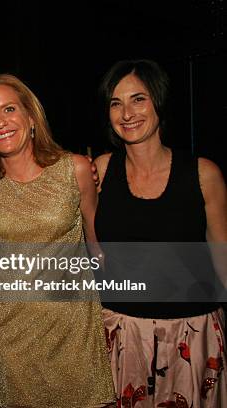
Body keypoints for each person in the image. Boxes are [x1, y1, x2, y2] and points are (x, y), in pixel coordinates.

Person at [0, 73, 115, 407]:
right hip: (15, 338)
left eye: (9, 109)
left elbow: (97, 247)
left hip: (75, 333)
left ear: (30, 117)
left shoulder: (74, 169)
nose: (0, 122)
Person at [94, 59, 227, 407]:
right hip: (123, 336)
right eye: (115, 103)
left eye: (138, 99)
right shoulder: (101, 170)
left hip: (192, 335)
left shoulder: (204, 174)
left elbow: (222, 257)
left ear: (159, 103)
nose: (127, 113)